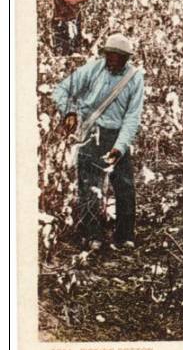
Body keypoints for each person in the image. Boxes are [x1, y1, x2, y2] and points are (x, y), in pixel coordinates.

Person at [52, 33, 144, 251]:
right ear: (104, 54)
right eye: (109, 55)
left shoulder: (134, 79)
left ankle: (124, 236)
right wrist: (70, 112)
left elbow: (133, 117)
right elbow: (61, 90)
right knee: (89, 186)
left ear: (126, 58)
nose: (113, 60)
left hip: (116, 135)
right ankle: (93, 235)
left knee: (124, 186)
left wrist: (119, 147)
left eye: (118, 57)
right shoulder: (92, 69)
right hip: (91, 133)